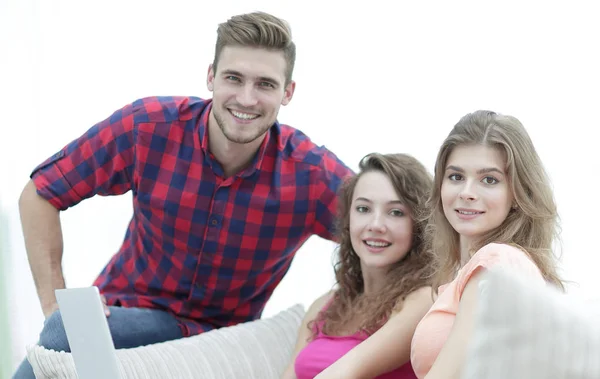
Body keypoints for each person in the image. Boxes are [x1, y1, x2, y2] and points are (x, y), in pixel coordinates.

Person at [13, 11, 353, 378]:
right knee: (62, 334)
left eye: (265, 84)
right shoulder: (149, 127)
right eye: (233, 78)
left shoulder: (311, 174)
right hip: (126, 315)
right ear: (210, 76)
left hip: (218, 343)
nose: (246, 98)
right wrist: (53, 306)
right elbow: (41, 193)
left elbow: (389, 232)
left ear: (288, 92)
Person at [409, 110, 565, 379]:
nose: (467, 193)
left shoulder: (497, 261)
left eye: (489, 180)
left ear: (517, 192)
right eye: (456, 176)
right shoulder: (486, 269)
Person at [282, 153, 435, 379]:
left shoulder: (424, 300)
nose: (375, 225)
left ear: (419, 225)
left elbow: (346, 373)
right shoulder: (323, 306)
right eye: (364, 209)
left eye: (395, 212)